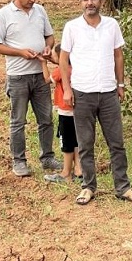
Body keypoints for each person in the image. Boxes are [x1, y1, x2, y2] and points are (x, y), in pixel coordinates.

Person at [59, 0, 132, 205]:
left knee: (116, 143)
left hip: (108, 92)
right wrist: (67, 90)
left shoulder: (111, 25)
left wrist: (121, 84)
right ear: (80, 3)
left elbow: (118, 55)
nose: (90, 3)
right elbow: (63, 59)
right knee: (86, 144)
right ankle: (88, 187)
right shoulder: (72, 27)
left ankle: (123, 187)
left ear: (100, 1)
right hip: (82, 93)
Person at [0, 0, 62, 177]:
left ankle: (47, 157)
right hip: (18, 76)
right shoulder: (3, 15)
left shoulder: (40, 11)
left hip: (40, 74)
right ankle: (19, 160)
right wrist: (20, 52)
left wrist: (48, 47)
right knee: (18, 121)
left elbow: (49, 35)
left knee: (46, 118)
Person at [42, 45, 83, 183]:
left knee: (66, 142)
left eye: (54, 56)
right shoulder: (77, 68)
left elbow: (47, 79)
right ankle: (79, 169)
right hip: (78, 110)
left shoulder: (60, 71)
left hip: (65, 111)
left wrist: (43, 62)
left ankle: (66, 173)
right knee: (77, 140)